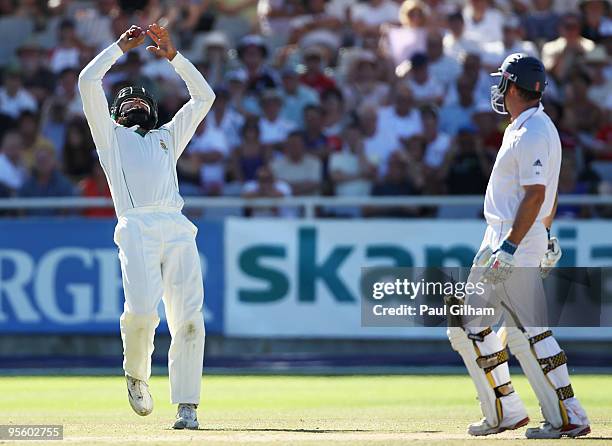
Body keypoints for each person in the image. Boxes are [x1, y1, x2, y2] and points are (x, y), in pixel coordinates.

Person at [78, 23, 215, 430]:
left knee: (188, 317)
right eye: (127, 102)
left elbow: (204, 97)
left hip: (176, 227)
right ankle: (136, 373)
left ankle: (187, 405)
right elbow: (88, 81)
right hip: (135, 227)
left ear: (153, 110)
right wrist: (120, 47)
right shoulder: (110, 137)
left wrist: (174, 56)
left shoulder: (167, 138)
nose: (134, 105)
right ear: (118, 113)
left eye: (141, 100)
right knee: (140, 311)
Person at [447, 53, 590, 439]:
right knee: (470, 325)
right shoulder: (527, 126)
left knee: (526, 332)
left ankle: (567, 415)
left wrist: (512, 248)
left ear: (511, 86)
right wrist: (545, 232)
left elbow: (536, 194)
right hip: (511, 237)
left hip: (512, 241)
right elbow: (546, 195)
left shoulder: (532, 131)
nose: (497, 89)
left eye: (501, 82)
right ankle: (507, 409)